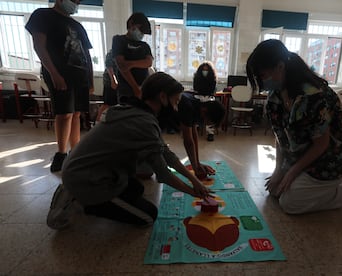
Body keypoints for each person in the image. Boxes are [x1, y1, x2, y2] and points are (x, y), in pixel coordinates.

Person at [46, 72, 211, 230]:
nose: (175, 109)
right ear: (162, 97)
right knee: (148, 216)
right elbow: (164, 174)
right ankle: (79, 201)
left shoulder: (134, 110)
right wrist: (193, 193)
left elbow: (167, 154)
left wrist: (194, 181)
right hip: (86, 180)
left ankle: (80, 191)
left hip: (81, 169)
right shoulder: (145, 122)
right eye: (175, 102)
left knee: (136, 189)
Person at [246, 39, 342, 214]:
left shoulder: (312, 96)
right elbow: (280, 138)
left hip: (332, 157)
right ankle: (321, 185)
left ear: (280, 67)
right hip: (303, 154)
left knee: (290, 204)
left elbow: (322, 144)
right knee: (275, 191)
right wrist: (278, 170)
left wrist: (291, 173)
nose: (262, 82)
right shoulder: (275, 97)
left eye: (263, 76)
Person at [26, 0, 94, 173]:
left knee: (77, 113)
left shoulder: (77, 25)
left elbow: (86, 53)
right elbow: (39, 46)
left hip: (80, 75)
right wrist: (54, 74)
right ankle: (61, 154)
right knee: (64, 113)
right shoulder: (43, 15)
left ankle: (75, 152)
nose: (76, 4)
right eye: (74, 0)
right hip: (60, 73)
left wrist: (90, 80)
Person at [176, 91, 225, 179]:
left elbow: (194, 137)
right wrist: (195, 168)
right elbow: (188, 141)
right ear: (204, 111)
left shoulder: (197, 106)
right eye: (207, 122)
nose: (205, 124)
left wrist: (197, 164)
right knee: (146, 173)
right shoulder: (188, 107)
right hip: (152, 118)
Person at [112, 12, 153, 102]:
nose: (141, 34)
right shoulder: (119, 40)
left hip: (143, 87)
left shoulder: (145, 45)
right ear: (131, 24)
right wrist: (135, 88)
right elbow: (122, 65)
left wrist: (130, 64)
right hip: (126, 89)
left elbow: (149, 62)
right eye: (140, 30)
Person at [193, 61, 218, 141]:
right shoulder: (197, 77)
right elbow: (196, 89)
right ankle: (195, 128)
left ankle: (210, 132)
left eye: (206, 70)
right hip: (199, 97)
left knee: (211, 111)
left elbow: (212, 90)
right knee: (194, 108)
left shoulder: (212, 79)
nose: (205, 72)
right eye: (203, 70)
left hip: (208, 97)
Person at [96, 49, 118, 122]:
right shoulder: (114, 51)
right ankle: (97, 124)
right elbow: (109, 66)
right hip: (110, 81)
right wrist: (113, 80)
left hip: (121, 82)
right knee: (107, 104)